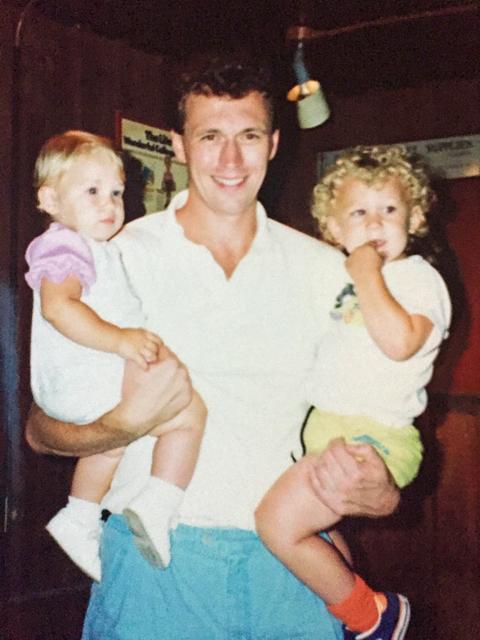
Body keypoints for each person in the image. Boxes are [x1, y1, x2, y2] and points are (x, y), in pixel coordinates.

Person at [26, 57, 400, 640]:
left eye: (248, 136)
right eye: (210, 137)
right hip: (156, 566)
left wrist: (383, 488)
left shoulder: (329, 271)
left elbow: (381, 407)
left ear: (274, 143)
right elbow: (41, 430)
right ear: (178, 145)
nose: (231, 160)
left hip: (291, 563)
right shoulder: (112, 256)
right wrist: (122, 426)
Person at [256, 145, 451, 640]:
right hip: (326, 428)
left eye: (390, 210)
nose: (375, 224)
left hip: (376, 435)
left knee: (276, 524)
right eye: (358, 213)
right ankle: (347, 611)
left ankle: (373, 617)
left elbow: (401, 342)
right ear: (333, 230)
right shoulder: (334, 281)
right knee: (316, 533)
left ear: (416, 216)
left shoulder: (417, 279)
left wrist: (366, 273)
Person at [25, 131, 206, 582]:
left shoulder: (100, 248)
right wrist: (121, 340)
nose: (109, 204)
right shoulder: (64, 244)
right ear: (49, 198)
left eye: (117, 193)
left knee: (115, 441)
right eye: (92, 192)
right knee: (188, 413)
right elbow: (58, 306)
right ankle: (157, 502)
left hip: (81, 382)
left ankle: (80, 516)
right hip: (79, 376)